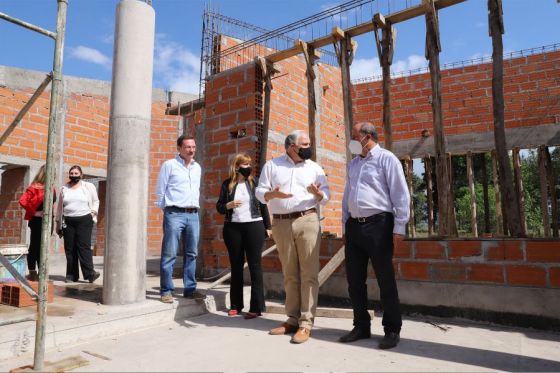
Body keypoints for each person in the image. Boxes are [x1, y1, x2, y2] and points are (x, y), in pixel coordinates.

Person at [339, 122, 410, 350]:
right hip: (354, 227)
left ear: (367, 137)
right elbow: (347, 196)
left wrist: (399, 227)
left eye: (353, 136)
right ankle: (361, 325)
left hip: (379, 225)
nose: (351, 141)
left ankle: (391, 329)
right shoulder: (354, 164)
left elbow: (400, 193)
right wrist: (344, 226)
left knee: (384, 278)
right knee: (354, 280)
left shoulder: (386, 159)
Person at [256, 130, 330, 344]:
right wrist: (273, 195)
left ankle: (306, 323)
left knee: (309, 273)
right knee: (289, 273)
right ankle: (292, 319)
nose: (308, 147)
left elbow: (327, 196)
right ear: (291, 146)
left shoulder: (315, 168)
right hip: (280, 222)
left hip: (307, 220)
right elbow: (260, 192)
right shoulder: (272, 165)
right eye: (304, 144)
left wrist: (318, 195)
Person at [216, 153, 271, 319]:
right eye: (245, 165)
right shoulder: (227, 184)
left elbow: (263, 205)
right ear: (237, 167)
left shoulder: (255, 184)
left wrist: (268, 226)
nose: (248, 168)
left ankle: (256, 307)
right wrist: (228, 204)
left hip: (254, 226)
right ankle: (235, 305)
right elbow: (219, 207)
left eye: (249, 164)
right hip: (233, 228)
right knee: (236, 267)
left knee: (255, 266)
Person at [156, 135, 204, 303]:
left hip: (193, 215)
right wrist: (168, 210)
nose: (191, 150)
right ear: (179, 148)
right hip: (174, 214)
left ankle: (190, 289)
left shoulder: (197, 167)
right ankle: (166, 290)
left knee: (192, 253)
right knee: (169, 254)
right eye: (187, 147)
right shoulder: (169, 165)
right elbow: (161, 191)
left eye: (193, 147)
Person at [55, 165, 100, 283]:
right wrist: (58, 224)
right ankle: (71, 275)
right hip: (68, 221)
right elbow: (60, 207)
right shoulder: (64, 188)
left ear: (81, 174)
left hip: (84, 220)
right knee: (69, 249)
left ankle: (90, 274)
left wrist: (93, 213)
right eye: (72, 173)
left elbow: (96, 200)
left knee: (83, 247)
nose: (74, 175)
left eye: (76, 173)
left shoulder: (88, 186)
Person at [18, 164, 55, 281]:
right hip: (37, 221)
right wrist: (34, 213)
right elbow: (22, 201)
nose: (53, 175)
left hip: (48, 221)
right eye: (51, 172)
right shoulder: (35, 187)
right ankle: (33, 271)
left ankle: (42, 273)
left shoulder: (52, 187)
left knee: (44, 247)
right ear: (44, 173)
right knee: (36, 246)